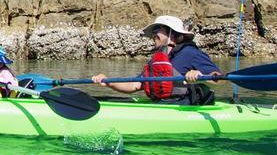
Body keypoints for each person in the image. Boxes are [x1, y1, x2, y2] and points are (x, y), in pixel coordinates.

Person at [91, 15, 221, 105]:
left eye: (157, 29)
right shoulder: (157, 60)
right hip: (162, 105)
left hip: (184, 108)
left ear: (173, 34)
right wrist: (108, 81)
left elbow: (218, 78)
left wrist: (200, 75)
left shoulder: (190, 53)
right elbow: (134, 85)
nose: (153, 34)